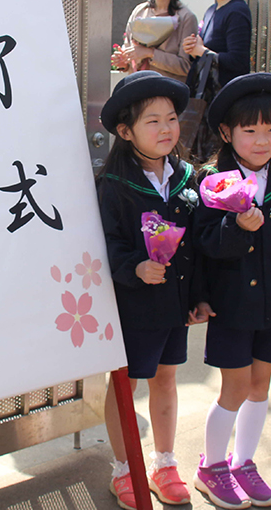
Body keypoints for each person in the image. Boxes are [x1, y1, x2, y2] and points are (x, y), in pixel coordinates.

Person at [191, 73, 271, 509]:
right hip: (233, 303)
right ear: (226, 133)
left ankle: (244, 462)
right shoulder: (212, 181)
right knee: (234, 387)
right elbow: (205, 246)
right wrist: (237, 228)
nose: (262, 141)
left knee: (261, 383)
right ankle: (212, 466)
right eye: (250, 130)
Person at [96, 71, 202, 510]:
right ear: (126, 132)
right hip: (134, 302)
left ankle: (163, 463)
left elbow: (195, 245)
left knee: (167, 377)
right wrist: (134, 266)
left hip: (174, 302)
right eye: (152, 121)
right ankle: (123, 468)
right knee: (126, 382)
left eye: (171, 118)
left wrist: (199, 296)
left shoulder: (187, 177)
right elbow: (107, 243)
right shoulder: (113, 185)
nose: (166, 129)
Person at [182, 0, 252, 162]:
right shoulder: (213, 10)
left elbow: (239, 62)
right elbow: (206, 53)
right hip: (205, 99)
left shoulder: (237, 11)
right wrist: (194, 49)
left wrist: (202, 51)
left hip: (224, 101)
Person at [112, 0, 199, 83]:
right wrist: (124, 61)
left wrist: (150, 53)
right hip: (137, 88)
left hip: (166, 91)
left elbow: (185, 66)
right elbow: (128, 48)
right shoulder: (140, 11)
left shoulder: (186, 18)